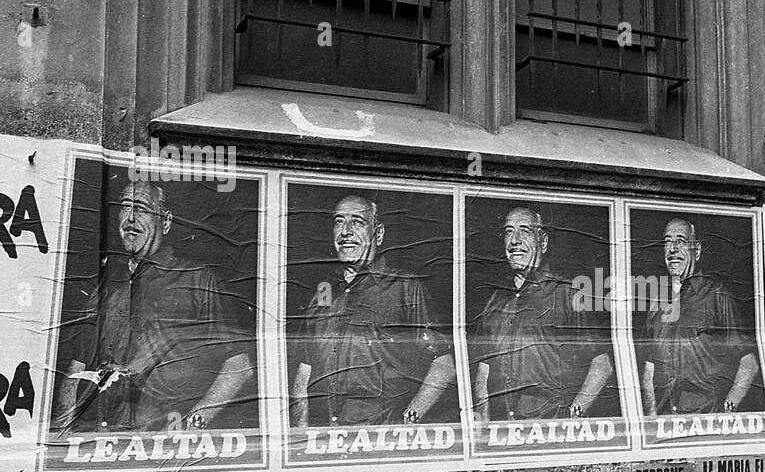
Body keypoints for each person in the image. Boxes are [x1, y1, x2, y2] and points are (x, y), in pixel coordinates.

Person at [53, 178, 253, 432]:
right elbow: (77, 371)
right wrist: (63, 431)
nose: (131, 219)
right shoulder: (107, 287)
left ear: (166, 221)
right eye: (125, 207)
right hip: (108, 440)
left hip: (165, 442)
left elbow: (239, 367)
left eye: (142, 208)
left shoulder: (196, 279)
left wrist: (192, 425)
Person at [290, 194, 455, 428]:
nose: (345, 231)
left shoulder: (404, 288)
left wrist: (408, 421)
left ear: (378, 234)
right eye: (339, 221)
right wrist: (301, 436)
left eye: (357, 222)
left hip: (378, 441)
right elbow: (305, 370)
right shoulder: (324, 290)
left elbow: (443, 365)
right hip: (324, 439)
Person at [472, 206, 614, 421]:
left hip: (550, 429)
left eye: (525, 231)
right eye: (509, 231)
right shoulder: (495, 300)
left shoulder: (567, 293)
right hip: (503, 433)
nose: (515, 241)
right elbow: (484, 369)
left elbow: (601, 365)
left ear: (543, 241)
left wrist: (572, 417)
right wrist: (483, 424)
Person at [639, 217, 759, 415]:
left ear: (697, 250)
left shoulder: (716, 294)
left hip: (705, 419)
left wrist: (726, 412)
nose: (673, 249)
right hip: (665, 422)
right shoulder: (657, 304)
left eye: (681, 241)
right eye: (667, 241)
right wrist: (651, 418)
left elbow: (749, 363)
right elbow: (649, 368)